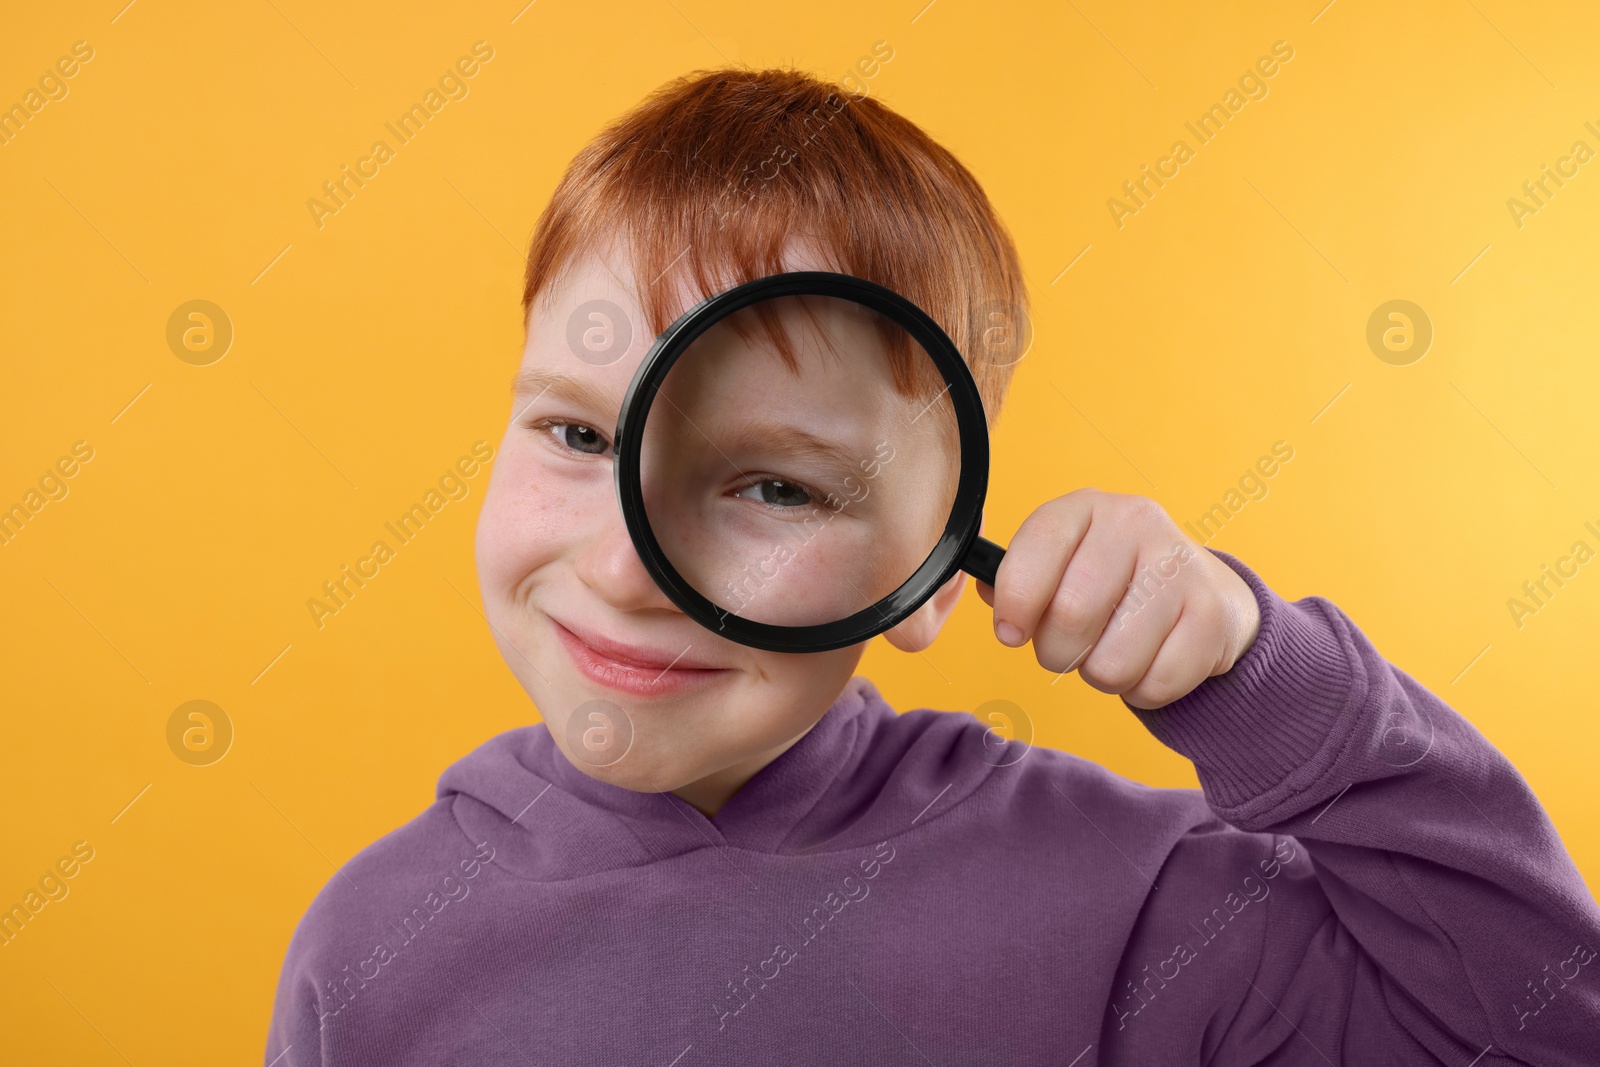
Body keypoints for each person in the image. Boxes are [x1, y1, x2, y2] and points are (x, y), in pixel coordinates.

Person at [264, 67, 1600, 1065]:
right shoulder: (370, 953)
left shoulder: (1144, 903)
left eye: (776, 484)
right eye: (576, 431)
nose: (624, 567)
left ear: (932, 573)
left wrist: (1262, 679)